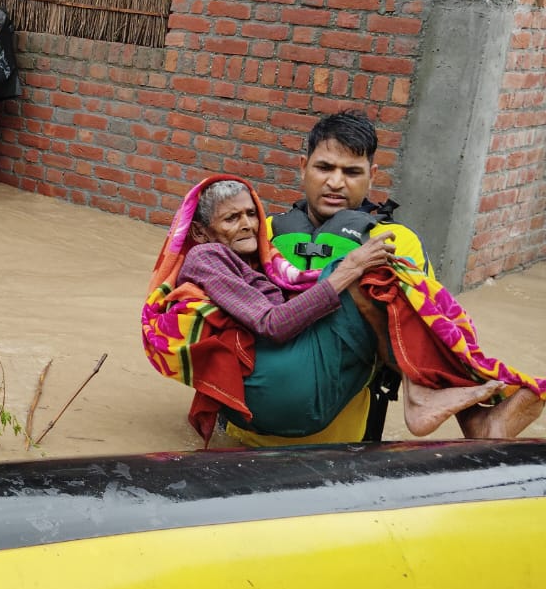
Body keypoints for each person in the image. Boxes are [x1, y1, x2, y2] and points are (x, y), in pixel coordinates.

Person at [142, 175, 545, 444]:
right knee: (368, 275)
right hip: (272, 394)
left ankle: (445, 405)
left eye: (251, 213)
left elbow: (285, 308)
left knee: (372, 281)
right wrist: (349, 267)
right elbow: (272, 322)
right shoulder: (207, 258)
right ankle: (442, 405)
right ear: (199, 231)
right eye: (232, 218)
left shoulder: (261, 263)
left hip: (289, 397)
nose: (247, 224)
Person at [262, 109, 545, 443]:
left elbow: (429, 333)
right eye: (324, 167)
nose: (335, 182)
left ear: (372, 175)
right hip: (250, 420)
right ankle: (467, 415)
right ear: (302, 167)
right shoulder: (262, 234)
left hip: (342, 439)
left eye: (351, 172)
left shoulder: (395, 241)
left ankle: (461, 408)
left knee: (395, 285)